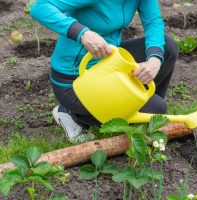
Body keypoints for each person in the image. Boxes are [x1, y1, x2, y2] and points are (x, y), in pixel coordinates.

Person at [30, 0, 179, 141]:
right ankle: (74, 115)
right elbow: (40, 7)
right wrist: (83, 33)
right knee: (158, 108)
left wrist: (154, 59)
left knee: (167, 48)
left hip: (108, 62)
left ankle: (145, 105)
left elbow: (153, 22)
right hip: (75, 80)